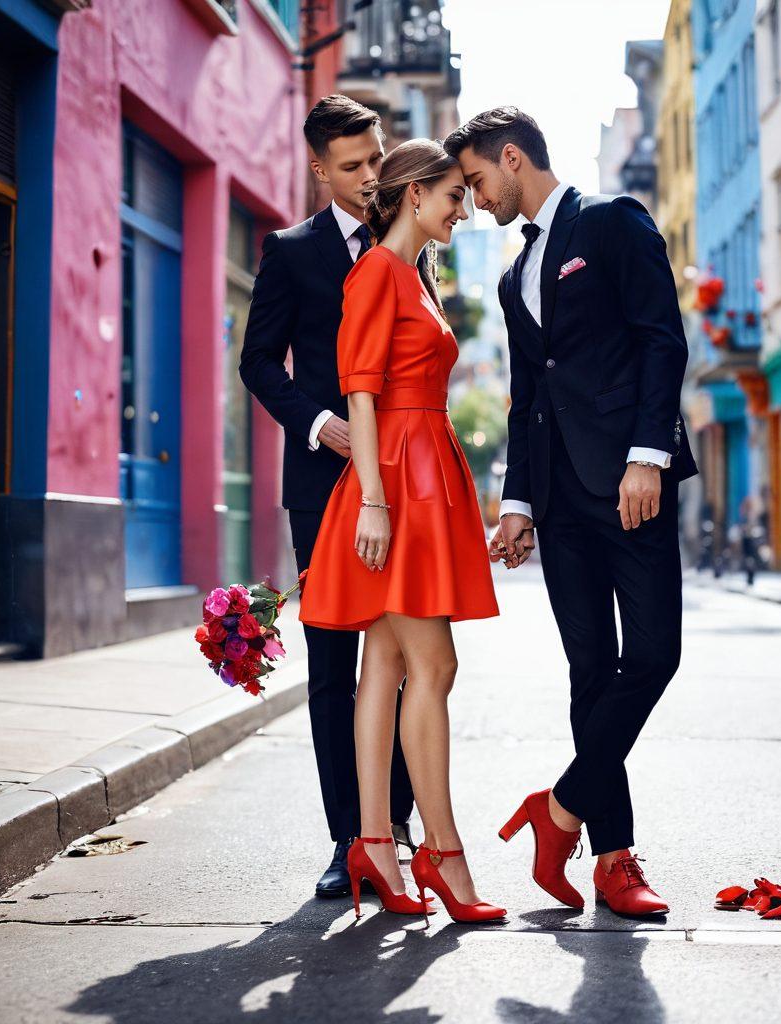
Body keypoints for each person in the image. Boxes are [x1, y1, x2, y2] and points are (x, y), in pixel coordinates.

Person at [445, 107, 699, 918]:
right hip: (558, 501)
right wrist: (517, 502)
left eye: (480, 182)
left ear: (513, 158)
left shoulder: (614, 222)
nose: (478, 201)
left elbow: (663, 339)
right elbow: (529, 399)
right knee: (589, 674)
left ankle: (557, 812)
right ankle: (613, 859)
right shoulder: (512, 276)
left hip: (630, 486)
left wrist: (647, 457)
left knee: (654, 656)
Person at [298, 138, 505, 924]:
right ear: (414, 194)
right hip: (396, 483)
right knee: (435, 665)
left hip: (423, 473)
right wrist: (377, 503)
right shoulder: (378, 273)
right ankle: (443, 854)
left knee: (385, 665)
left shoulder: (417, 276)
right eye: (454, 194)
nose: (464, 207)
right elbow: (359, 391)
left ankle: (376, 845)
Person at [239, 95, 416, 900]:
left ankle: (398, 828)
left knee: (411, 658)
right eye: (353, 166)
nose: (372, 176)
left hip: (405, 490)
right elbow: (258, 362)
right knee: (334, 668)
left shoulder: (410, 241)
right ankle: (348, 838)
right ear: (319, 168)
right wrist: (318, 424)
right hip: (321, 487)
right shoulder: (290, 250)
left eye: (376, 158)